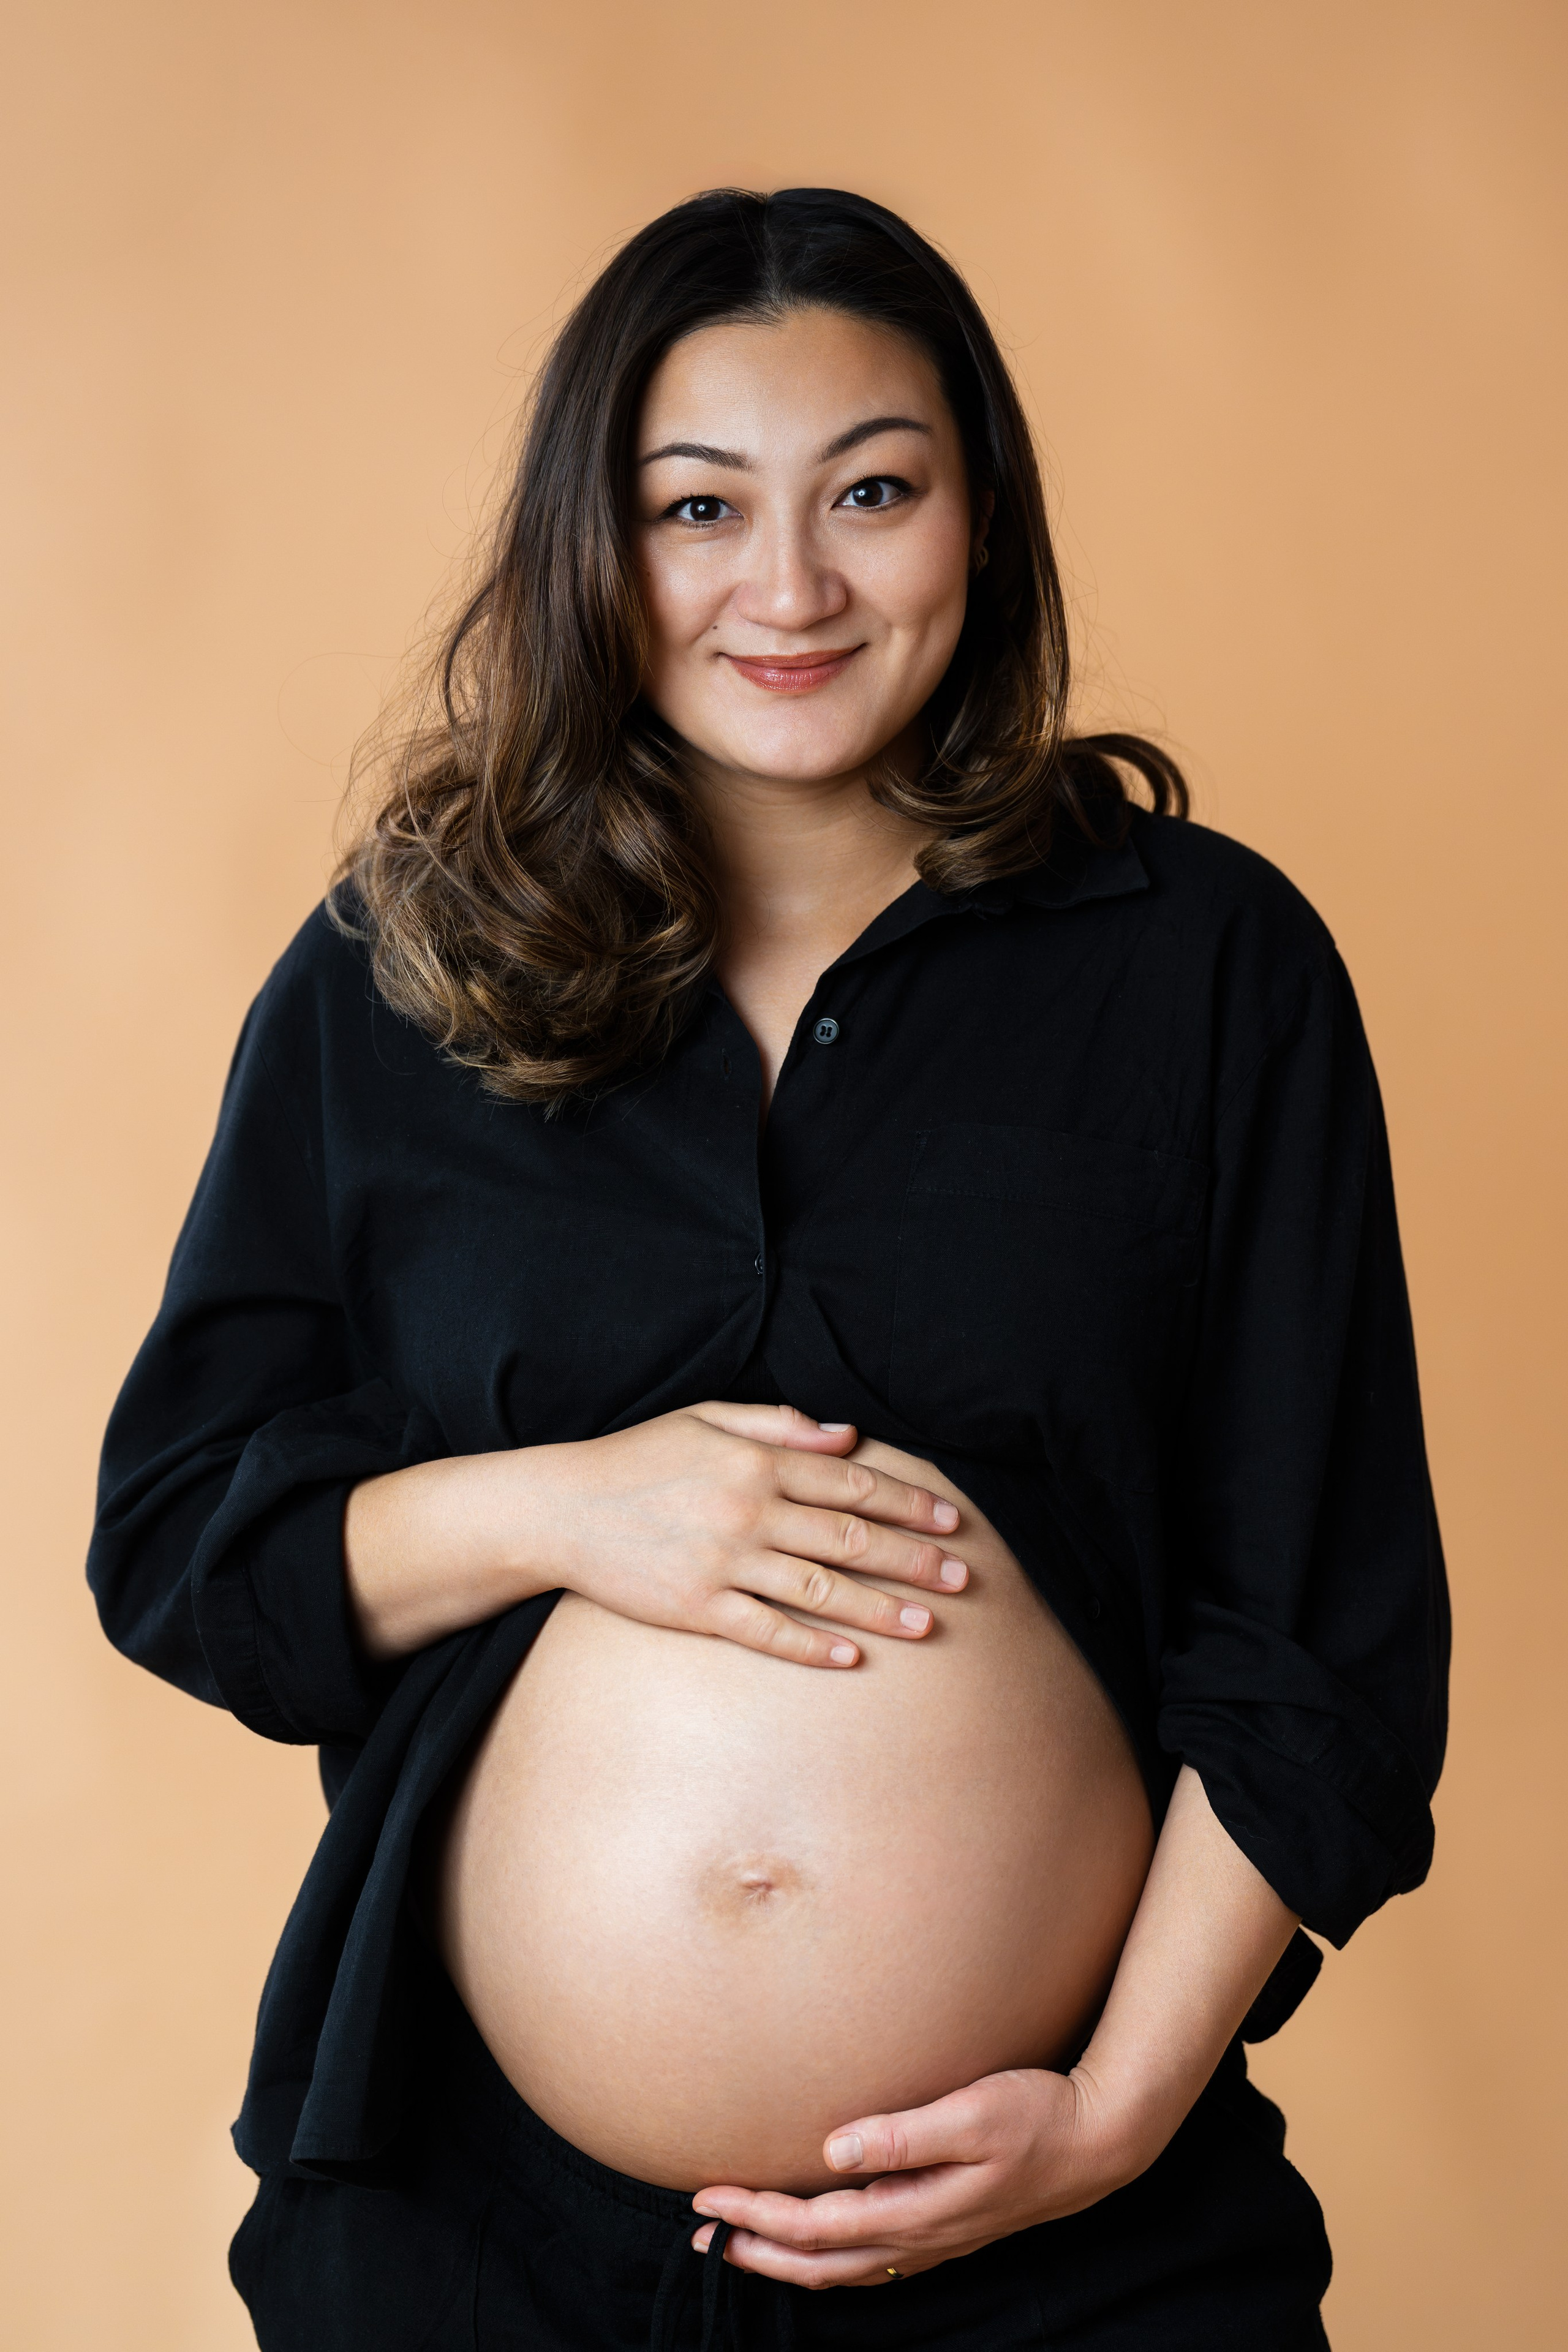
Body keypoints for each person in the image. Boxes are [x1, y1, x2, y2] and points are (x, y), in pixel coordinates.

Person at [89, 187, 1449, 2350]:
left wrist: (1108, 2118)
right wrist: (572, 1506)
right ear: (590, 550)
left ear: (980, 520)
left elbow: (1323, 1637)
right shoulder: (397, 975)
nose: (789, 586)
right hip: (473, 2247)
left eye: (874, 492)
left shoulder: (1208, 968)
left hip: (1078, 2254)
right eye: (695, 508)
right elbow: (182, 1546)